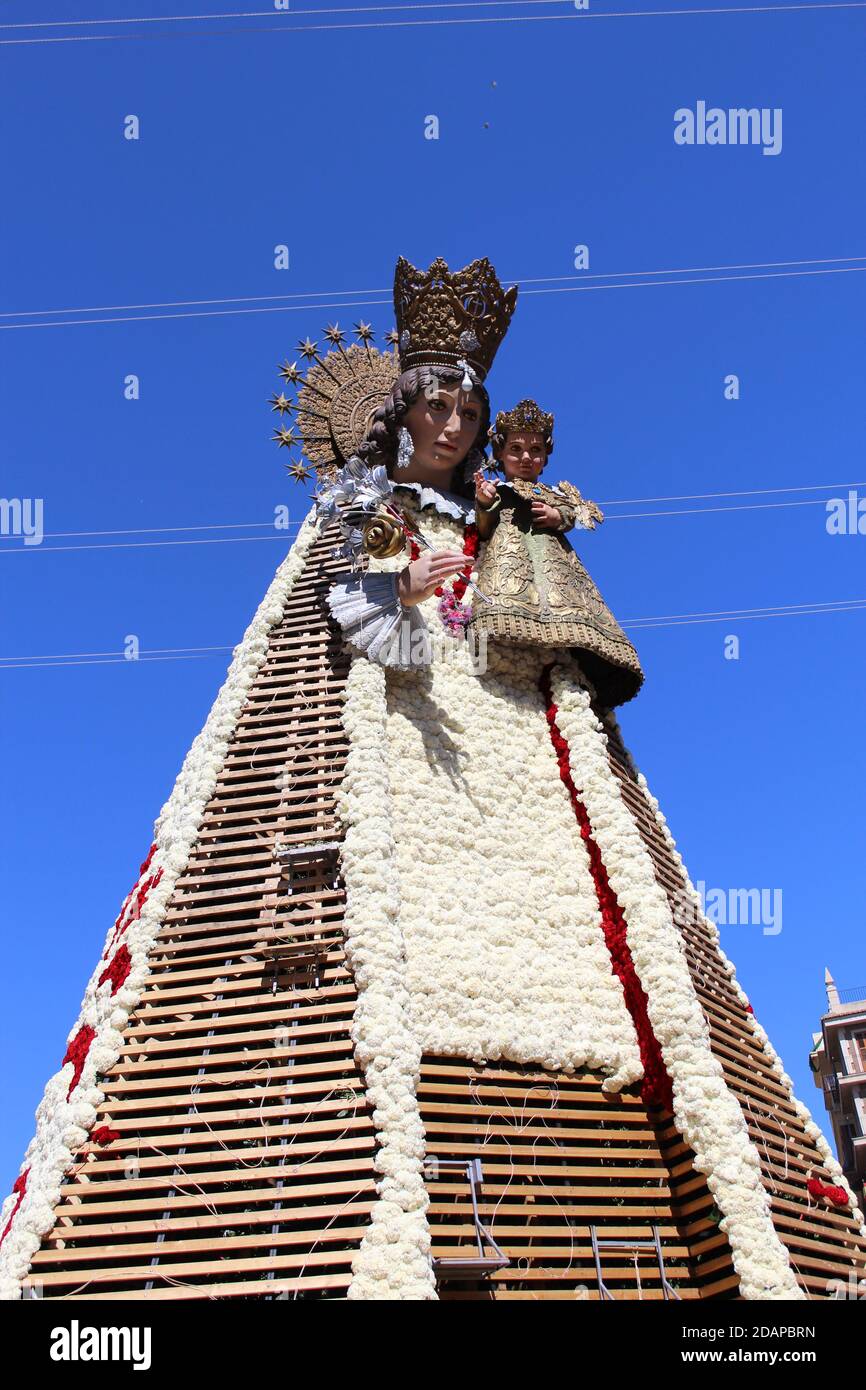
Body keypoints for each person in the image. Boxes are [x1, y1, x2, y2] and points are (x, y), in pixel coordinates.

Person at [467, 398, 644, 708]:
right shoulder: (498, 489)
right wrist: (484, 503)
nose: (526, 457)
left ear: (545, 457)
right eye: (516, 449)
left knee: (566, 606)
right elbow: (483, 527)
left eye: (535, 451)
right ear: (499, 453)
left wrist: (556, 517)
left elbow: (570, 514)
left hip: (554, 564)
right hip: (509, 560)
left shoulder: (552, 493)